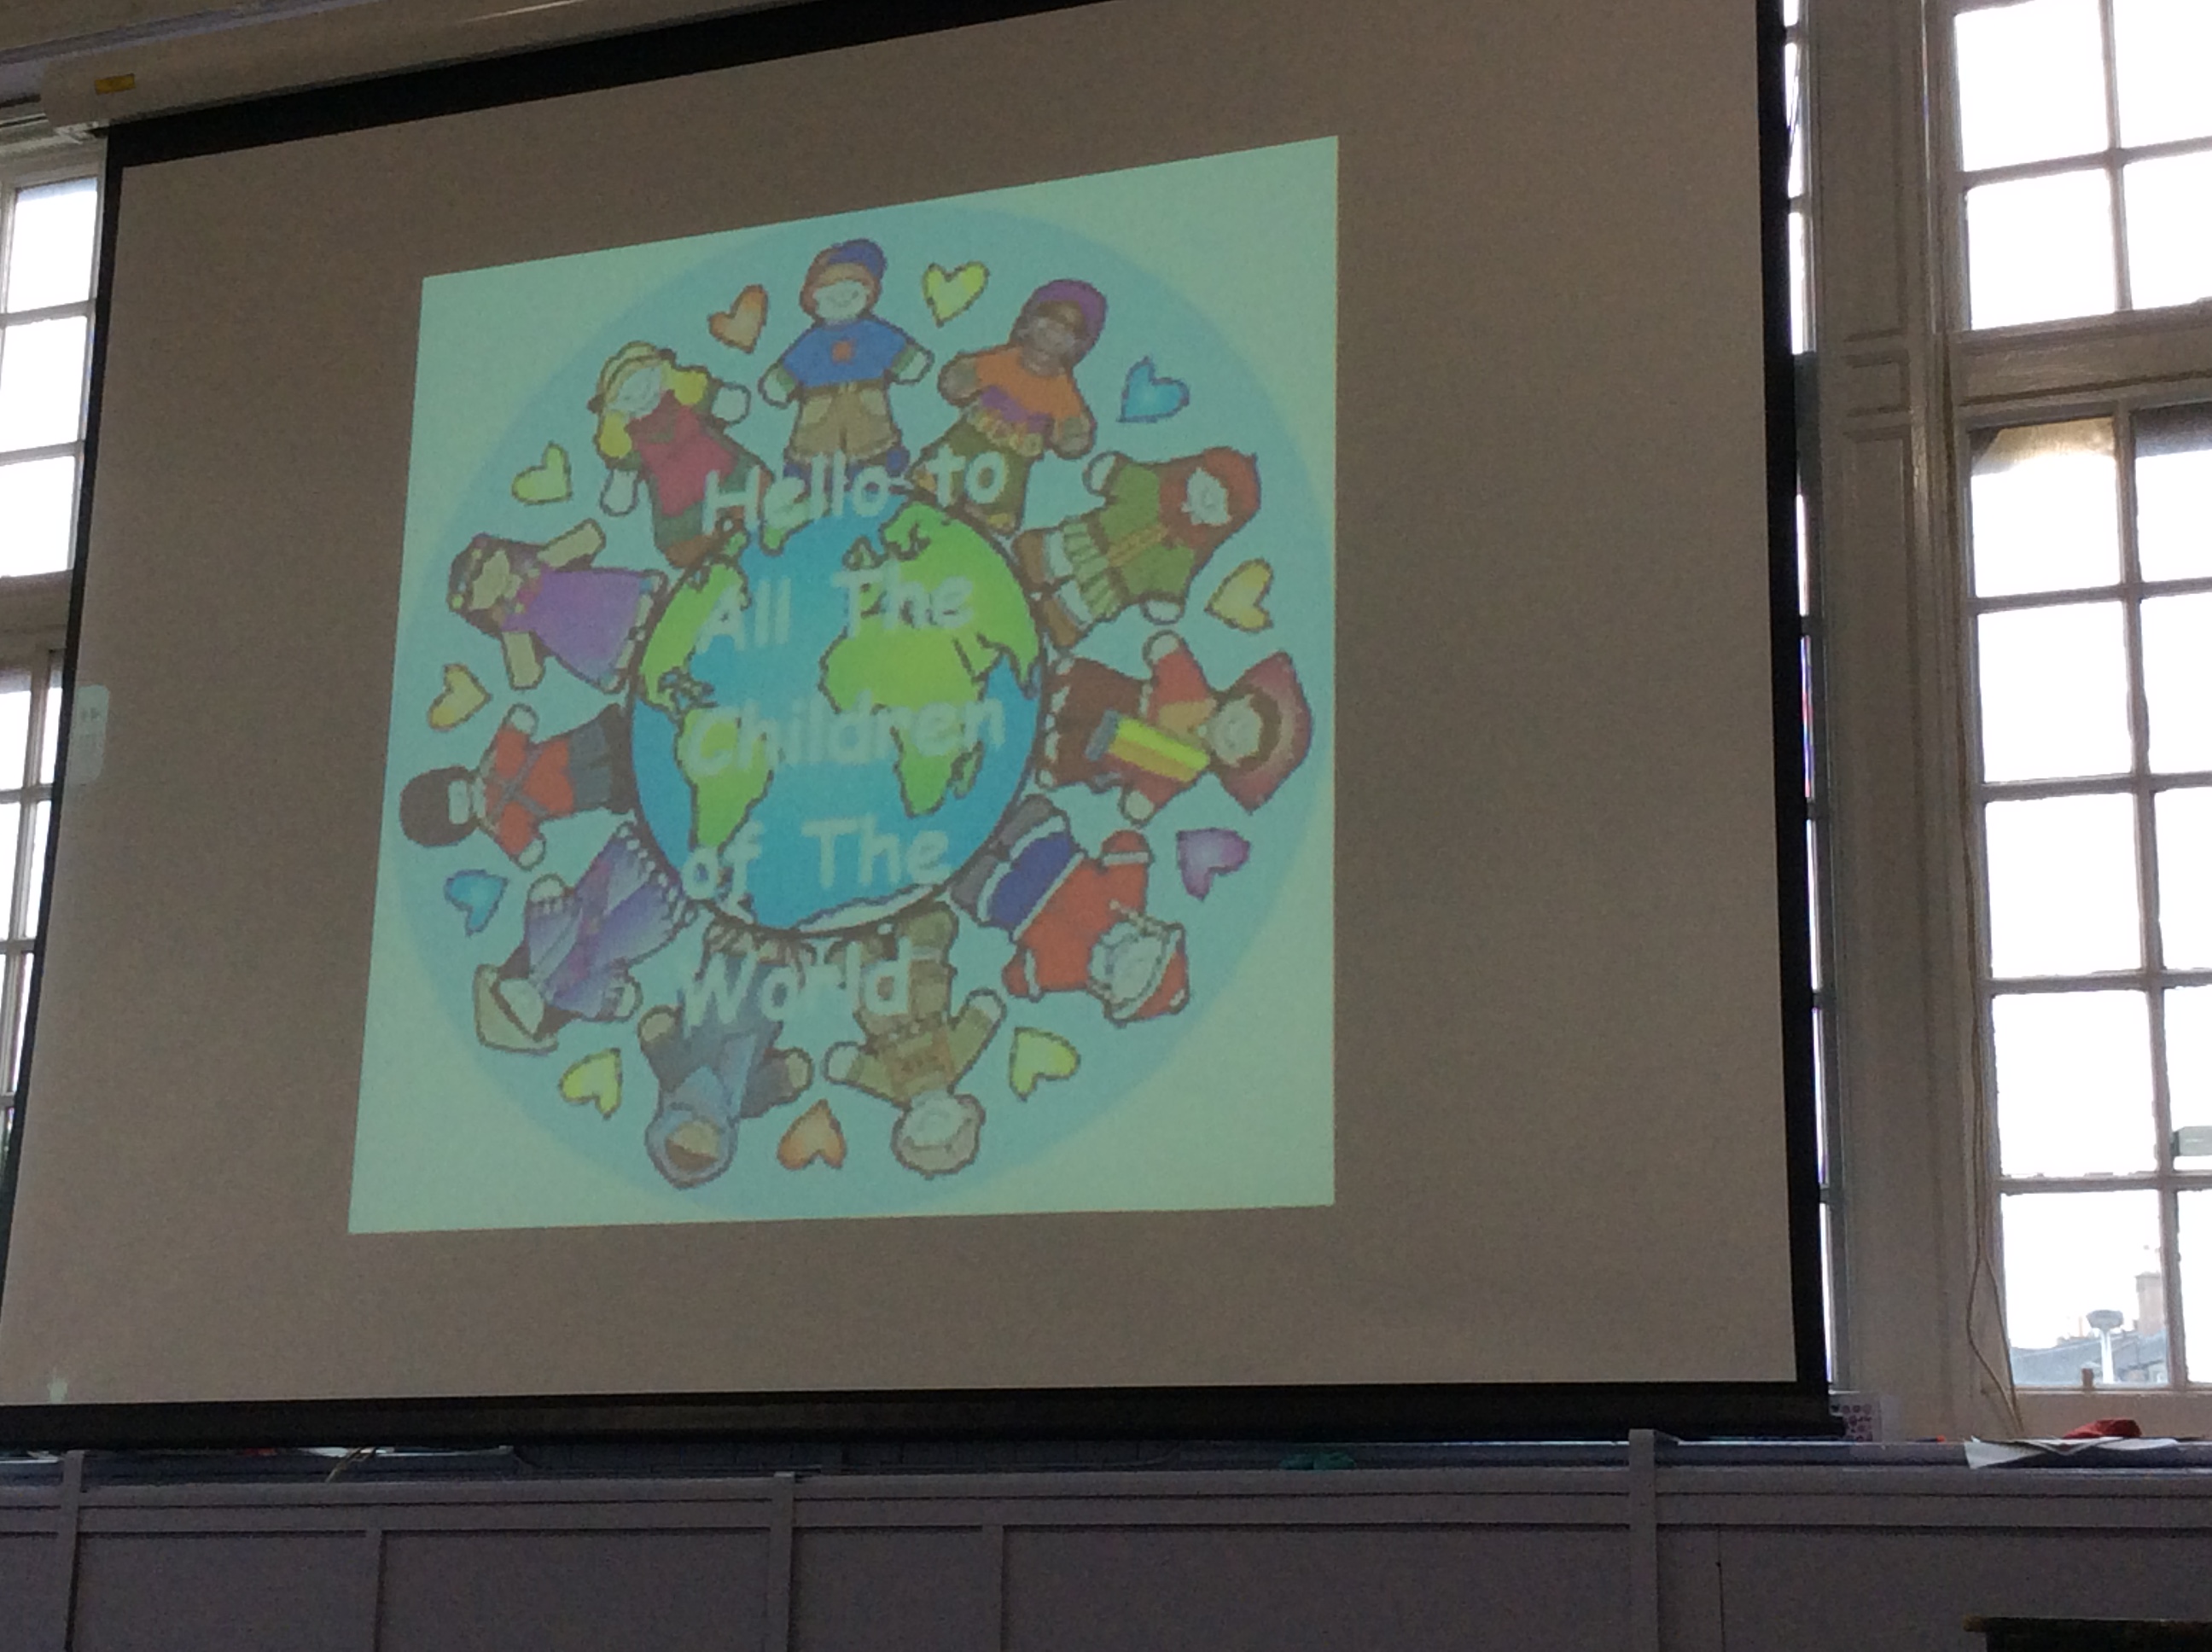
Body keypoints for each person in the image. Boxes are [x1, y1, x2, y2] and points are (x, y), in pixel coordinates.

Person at [946, 798, 1187, 1024]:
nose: (1130, 964)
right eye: (1145, 962)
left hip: (1001, 896)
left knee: (964, 870)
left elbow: (1017, 979)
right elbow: (1127, 844)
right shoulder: (1126, 899)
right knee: (1012, 812)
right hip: (1045, 847)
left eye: (1131, 978)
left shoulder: (1072, 970)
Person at [1035, 633, 1313, 821]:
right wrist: (1167, 652)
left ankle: (1055, 756)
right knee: (1098, 689)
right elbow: (1174, 663)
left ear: (1232, 763)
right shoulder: (1194, 692)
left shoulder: (1184, 768)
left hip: (1116, 755)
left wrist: (1144, 801)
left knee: (1086, 757)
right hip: (1130, 700)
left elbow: (1159, 786)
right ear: (1241, 699)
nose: (1231, 732)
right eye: (1238, 722)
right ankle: (1066, 688)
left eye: (1236, 744)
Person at [472, 823, 690, 1054]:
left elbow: (547, 898)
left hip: (607, 882)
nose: (519, 1002)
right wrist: (616, 1000)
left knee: (627, 863)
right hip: (638, 926)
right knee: (654, 909)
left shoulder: (537, 945)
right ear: (538, 1028)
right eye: (520, 1019)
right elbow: (616, 999)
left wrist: (546, 901)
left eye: (506, 1001)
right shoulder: (573, 1000)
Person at [822, 902, 1004, 1178]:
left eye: (929, 1139)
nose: (935, 1126)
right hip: (928, 1009)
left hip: (884, 1024)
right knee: (925, 969)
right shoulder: (953, 1064)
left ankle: (862, 958)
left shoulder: (895, 1088)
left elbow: (868, 1072)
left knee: (873, 991)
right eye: (948, 1132)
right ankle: (922, 936)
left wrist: (849, 1066)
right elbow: (970, 1035)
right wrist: (981, 1016)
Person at [1010, 448, 1260, 647]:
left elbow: (1172, 580)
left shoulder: (1187, 551)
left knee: (1079, 605)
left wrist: (1165, 599)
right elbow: (1123, 477)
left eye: (1221, 503)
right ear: (1197, 472)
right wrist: (1110, 473)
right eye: (1211, 486)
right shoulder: (1153, 487)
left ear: (1225, 520)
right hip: (1092, 538)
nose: (1208, 500)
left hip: (1114, 585)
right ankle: (1033, 561)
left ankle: (1058, 618)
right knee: (1056, 553)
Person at [912, 279, 1103, 535]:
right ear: (1031, 320)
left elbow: (1071, 425)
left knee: (998, 493)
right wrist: (962, 378)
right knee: (949, 466)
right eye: (1051, 318)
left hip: (1014, 453)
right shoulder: (1005, 360)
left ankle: (978, 526)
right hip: (974, 433)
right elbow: (967, 376)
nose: (1055, 331)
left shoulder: (1061, 388)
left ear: (1078, 343)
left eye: (1069, 328)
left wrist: (1072, 433)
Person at [636, 925, 813, 1189]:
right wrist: (787, 1076)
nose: (696, 1141)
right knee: (777, 969)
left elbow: (658, 1037)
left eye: (683, 1144)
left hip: (718, 989)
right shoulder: (741, 1102)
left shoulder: (676, 1077)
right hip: (765, 1003)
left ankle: (735, 943)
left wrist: (658, 1036)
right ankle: (782, 956)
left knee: (732, 952)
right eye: (703, 1152)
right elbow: (772, 1084)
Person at [757, 240, 933, 477]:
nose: (841, 298)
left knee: (872, 439)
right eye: (831, 291)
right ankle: (806, 475)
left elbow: (900, 355)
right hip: (821, 403)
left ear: (867, 293)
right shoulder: (814, 341)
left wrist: (909, 362)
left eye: (851, 291)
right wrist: (780, 383)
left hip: (866, 398)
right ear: (815, 296)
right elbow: (793, 367)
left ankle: (878, 466)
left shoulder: (872, 333)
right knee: (817, 444)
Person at [591, 340, 771, 567]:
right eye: (628, 396)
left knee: (757, 497)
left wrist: (723, 401)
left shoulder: (684, 396)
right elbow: (624, 481)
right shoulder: (629, 440)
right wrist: (621, 488)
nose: (641, 394)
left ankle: (768, 524)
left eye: (646, 381)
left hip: (721, 468)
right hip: (679, 500)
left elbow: (723, 404)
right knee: (692, 545)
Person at [398, 704, 634, 869]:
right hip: (570, 793)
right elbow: (528, 849)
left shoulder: (495, 762)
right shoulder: (502, 824)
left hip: (565, 756)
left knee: (597, 742)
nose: (476, 796)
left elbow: (519, 726)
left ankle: (616, 744)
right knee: (607, 782)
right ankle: (621, 778)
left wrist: (516, 725)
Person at [447, 520, 661, 695]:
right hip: (568, 635)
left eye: (485, 565)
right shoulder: (509, 620)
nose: (488, 578)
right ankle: (613, 664)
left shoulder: (534, 563)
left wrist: (571, 546)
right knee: (590, 647)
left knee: (612, 600)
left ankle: (641, 598)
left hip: (587, 594)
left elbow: (589, 538)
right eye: (476, 588)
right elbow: (526, 675)